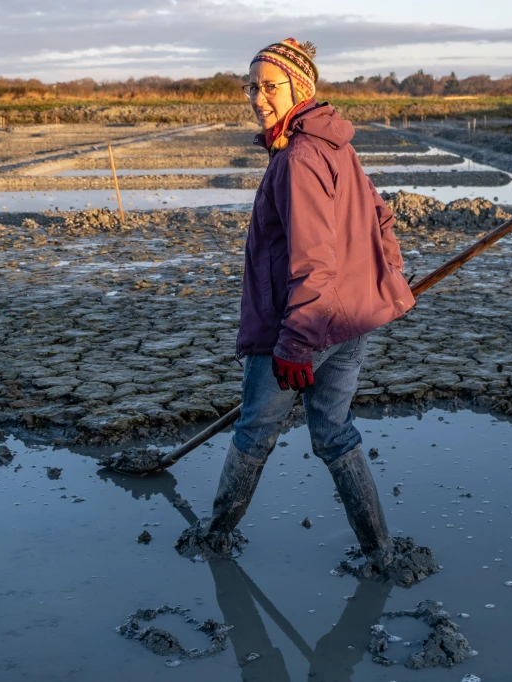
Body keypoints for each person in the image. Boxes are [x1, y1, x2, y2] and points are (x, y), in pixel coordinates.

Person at [197, 38, 415, 570]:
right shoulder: (336, 144)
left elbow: (314, 260)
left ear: (301, 87)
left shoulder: (298, 158)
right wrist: (381, 279)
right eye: (251, 86)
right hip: (347, 323)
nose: (257, 97)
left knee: (254, 430)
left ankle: (216, 538)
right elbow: (380, 219)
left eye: (269, 86)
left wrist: (294, 344)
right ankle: (380, 551)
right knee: (335, 433)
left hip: (301, 326)